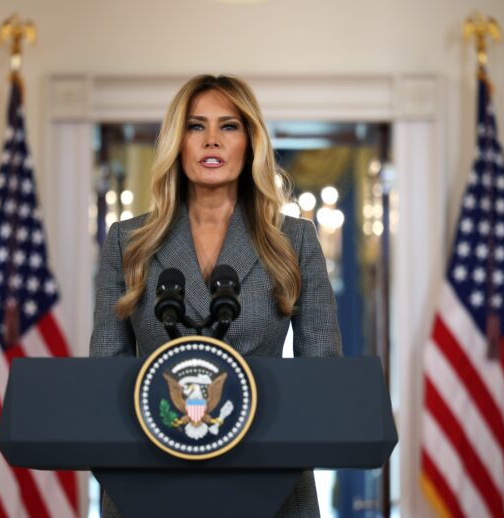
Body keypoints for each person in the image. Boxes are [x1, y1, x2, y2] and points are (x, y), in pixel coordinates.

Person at [90, 74, 342, 517]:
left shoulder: (295, 241)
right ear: (176, 142)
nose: (211, 141)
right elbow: (105, 378)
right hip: (149, 485)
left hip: (270, 486)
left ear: (250, 142)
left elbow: (323, 380)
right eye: (195, 126)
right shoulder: (127, 241)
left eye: (228, 126)